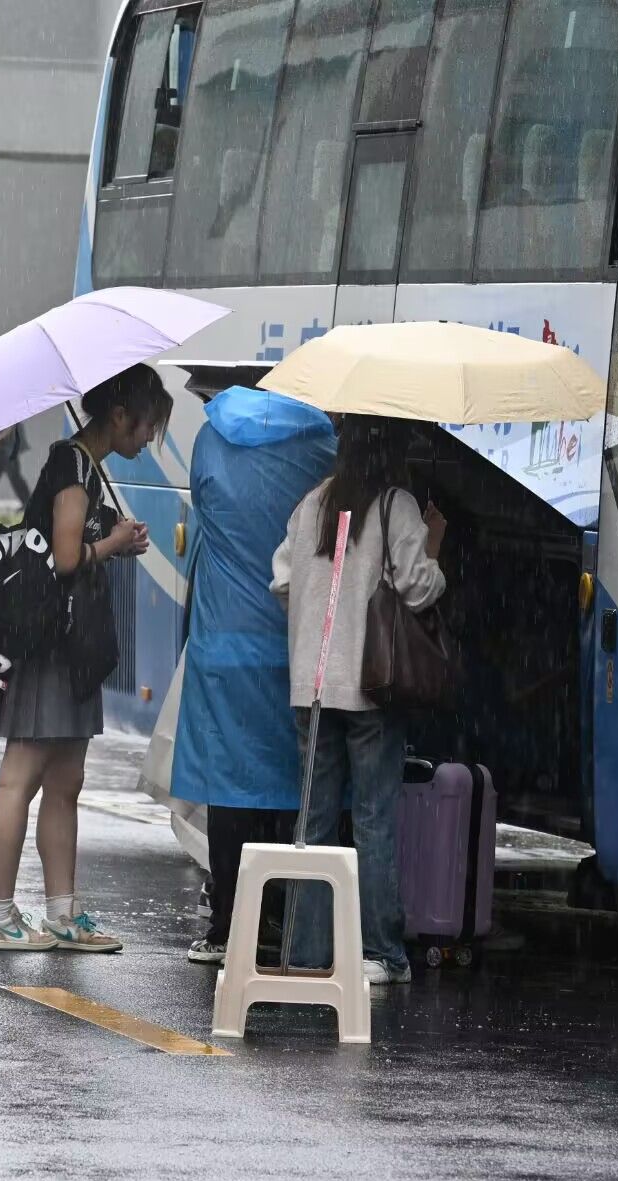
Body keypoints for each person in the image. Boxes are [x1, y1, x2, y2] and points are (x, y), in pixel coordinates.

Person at [0, 365, 170, 952]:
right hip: (49, 647)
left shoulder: (86, 466)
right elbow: (64, 557)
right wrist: (113, 544)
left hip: (71, 647)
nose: (149, 438)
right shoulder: (71, 464)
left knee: (65, 782)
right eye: (147, 426)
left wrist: (113, 538)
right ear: (120, 415)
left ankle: (63, 912)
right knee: (20, 780)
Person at [271, 415, 446, 987]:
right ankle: (380, 953)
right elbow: (418, 588)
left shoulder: (313, 503)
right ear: (394, 450)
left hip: (313, 686)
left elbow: (281, 582)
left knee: (314, 822)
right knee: (373, 821)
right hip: (372, 688)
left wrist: (318, 616)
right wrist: (435, 548)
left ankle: (306, 951)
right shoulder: (397, 506)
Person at [172, 386, 337, 964]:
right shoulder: (322, 446)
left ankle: (226, 927)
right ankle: (286, 923)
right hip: (293, 639)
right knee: (294, 785)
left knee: (229, 788)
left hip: (223, 642)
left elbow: (205, 508)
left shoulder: (209, 439)